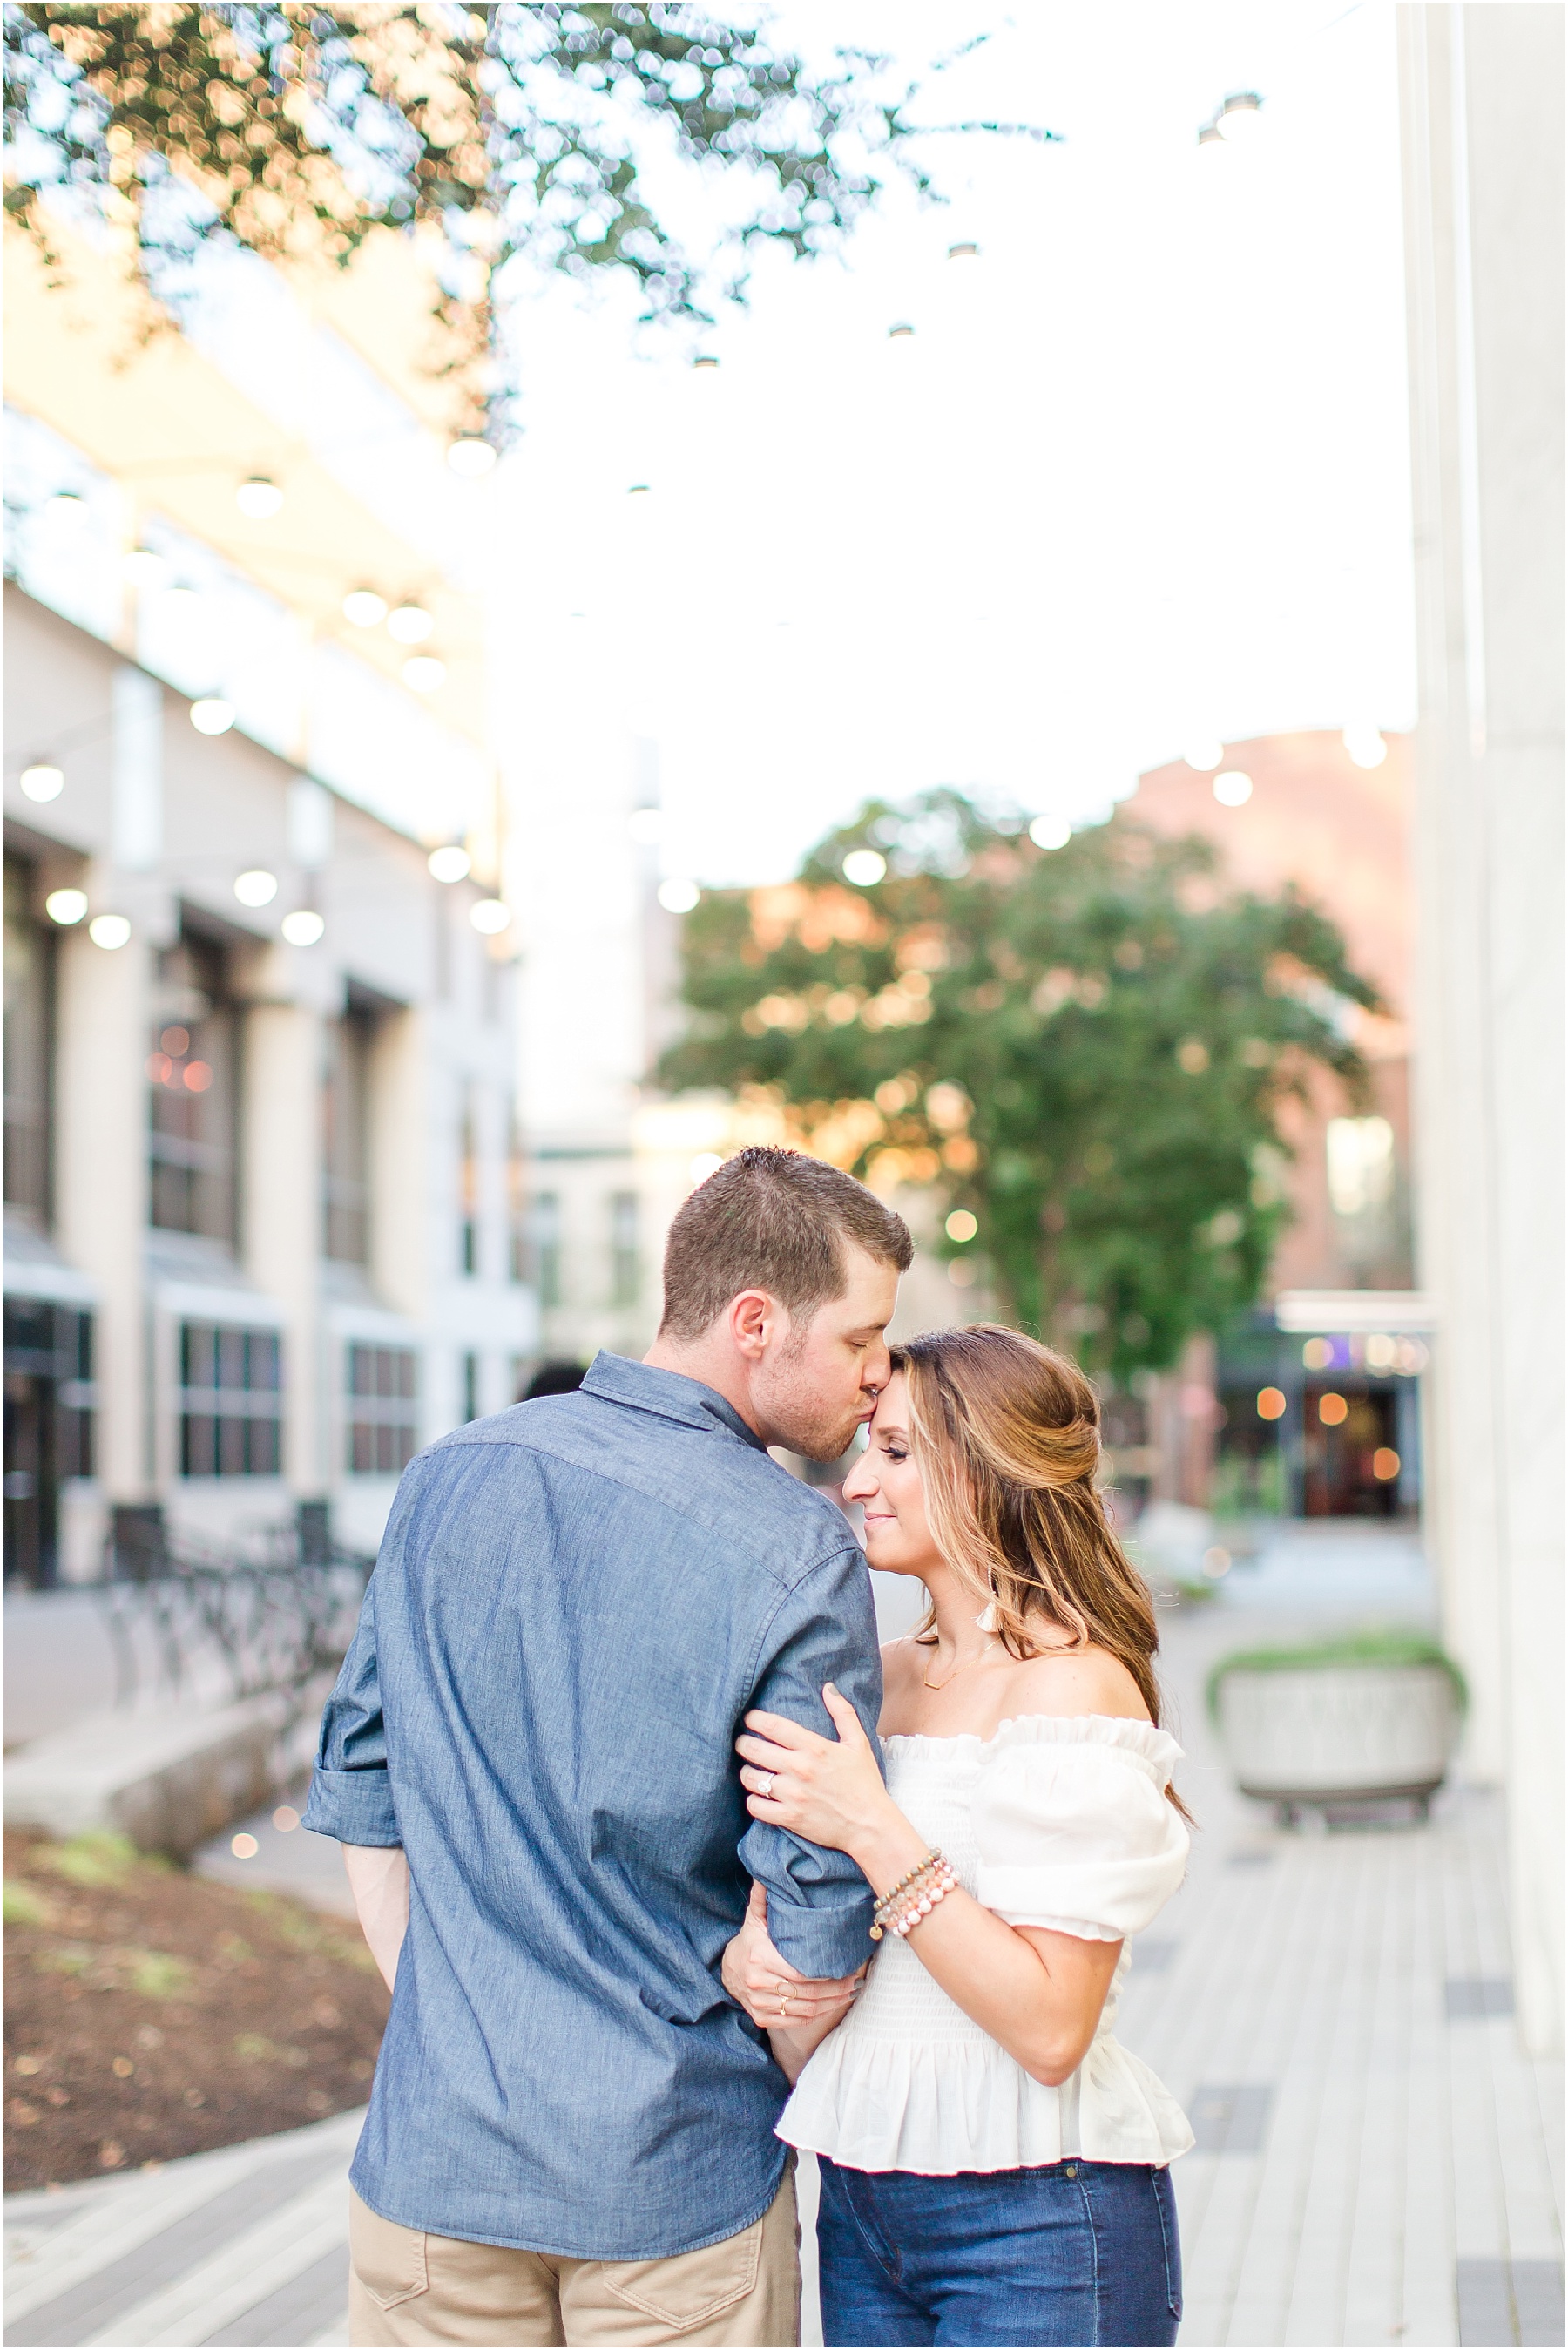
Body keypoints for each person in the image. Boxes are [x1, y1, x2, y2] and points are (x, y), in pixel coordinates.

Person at [301, 1147, 913, 2347]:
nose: (878, 1376)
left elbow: (363, 1796)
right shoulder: (797, 1548)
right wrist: (767, 2078)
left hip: (436, 2168)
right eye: (860, 1340)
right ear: (756, 1322)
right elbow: (815, 1914)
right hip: (675, 2185)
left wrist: (466, 2023)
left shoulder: (446, 1476)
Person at [726, 1324, 1193, 2349]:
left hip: (1039, 2219)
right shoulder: (877, 1679)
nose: (855, 1482)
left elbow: (1050, 2031)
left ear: (986, 1470)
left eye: (895, 1451)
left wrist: (873, 1827)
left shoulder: (1074, 1687)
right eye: (864, 1448)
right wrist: (754, 1963)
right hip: (861, 2202)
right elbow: (808, 1930)